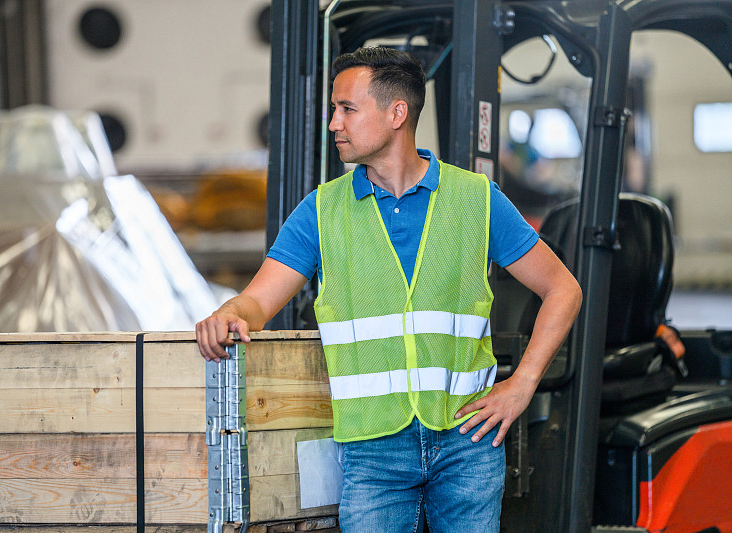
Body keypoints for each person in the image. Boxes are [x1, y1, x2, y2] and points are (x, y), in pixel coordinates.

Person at [196, 46, 582, 533]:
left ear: (397, 113)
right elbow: (257, 301)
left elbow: (563, 289)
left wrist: (522, 384)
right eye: (334, 109)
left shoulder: (476, 199)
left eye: (347, 109)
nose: (334, 123)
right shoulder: (322, 211)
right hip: (373, 449)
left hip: (467, 441)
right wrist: (230, 312)